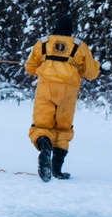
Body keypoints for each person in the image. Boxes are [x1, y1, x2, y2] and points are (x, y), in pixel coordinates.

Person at [24, 16, 100, 182]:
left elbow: (30, 67)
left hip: (46, 89)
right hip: (68, 91)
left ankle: (44, 147)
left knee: (42, 125)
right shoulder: (79, 46)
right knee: (63, 128)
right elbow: (92, 73)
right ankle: (56, 169)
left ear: (55, 28)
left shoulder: (43, 42)